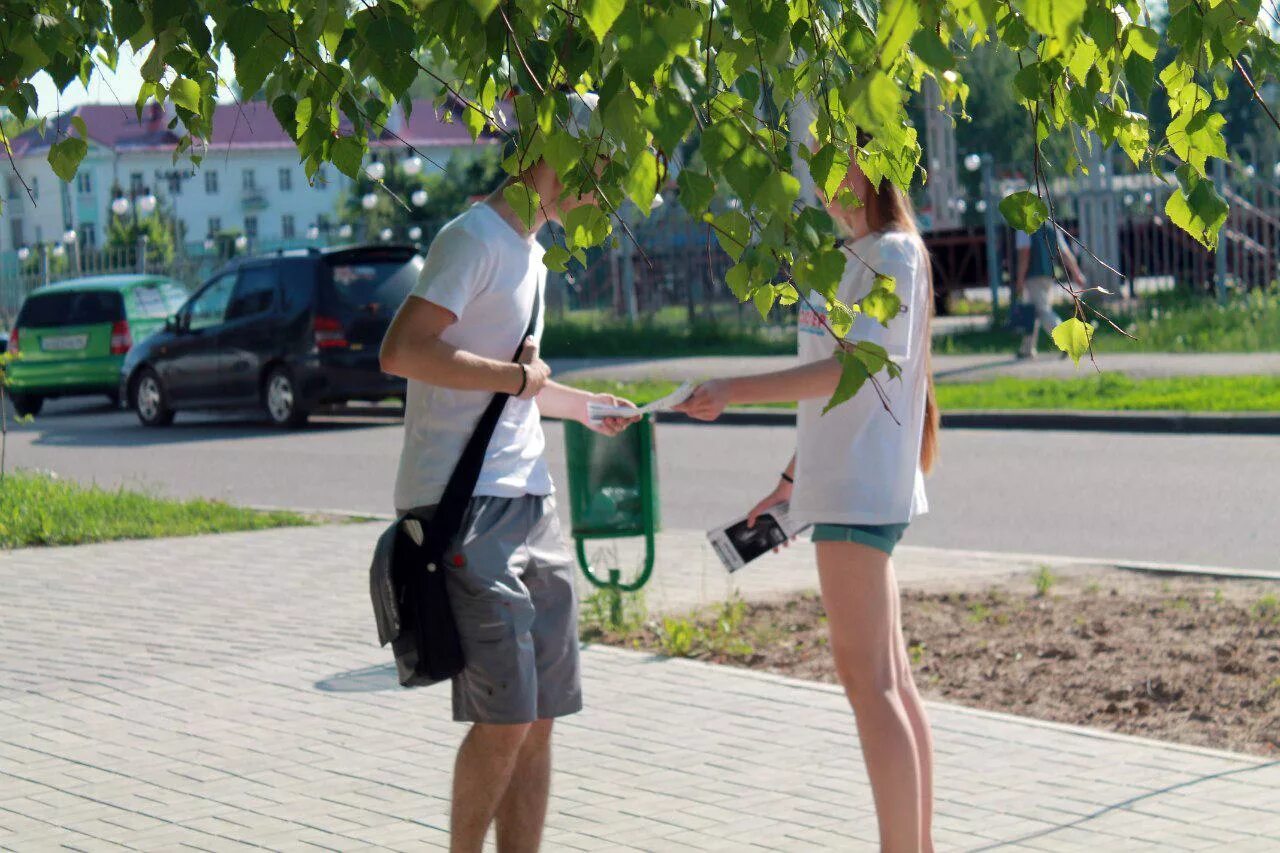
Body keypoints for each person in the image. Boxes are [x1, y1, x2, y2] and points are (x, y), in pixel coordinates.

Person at [379, 93, 638, 853]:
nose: (603, 186)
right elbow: (402, 350)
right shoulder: (475, 238)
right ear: (555, 151)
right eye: (598, 166)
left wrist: (585, 405)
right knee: (507, 717)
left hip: (532, 501)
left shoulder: (533, 252)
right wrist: (518, 381)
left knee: (543, 711)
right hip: (467, 508)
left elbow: (516, 384)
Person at [678, 159, 941, 853]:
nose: (823, 176)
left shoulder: (891, 253)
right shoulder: (859, 254)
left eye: (837, 157)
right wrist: (793, 478)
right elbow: (834, 394)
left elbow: (851, 367)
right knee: (889, 681)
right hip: (845, 482)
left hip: (861, 487)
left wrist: (734, 388)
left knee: (871, 684)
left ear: (873, 164)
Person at [1013, 222, 1086, 358]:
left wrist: (1020, 280)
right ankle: (1027, 348)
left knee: (1042, 310)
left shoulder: (1024, 226)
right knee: (1033, 311)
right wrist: (1076, 273)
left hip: (1033, 275)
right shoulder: (1051, 227)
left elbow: (1025, 253)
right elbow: (1064, 252)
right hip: (1048, 274)